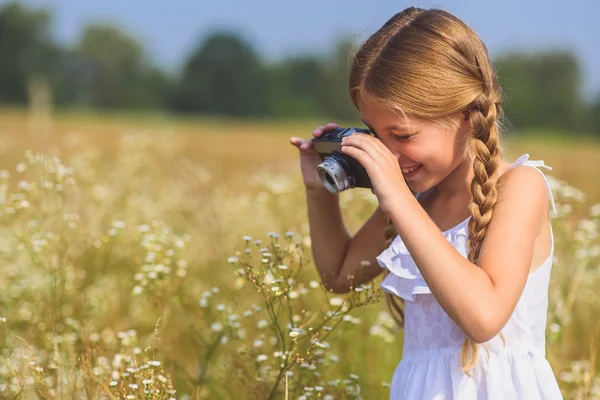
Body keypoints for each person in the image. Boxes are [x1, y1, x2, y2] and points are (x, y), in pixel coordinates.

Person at [289, 7, 563, 400]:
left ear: (467, 117)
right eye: (375, 134)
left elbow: (483, 317)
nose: (388, 153)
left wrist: (399, 200)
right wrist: (318, 189)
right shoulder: (414, 199)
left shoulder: (520, 187)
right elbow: (338, 274)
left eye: (402, 135)